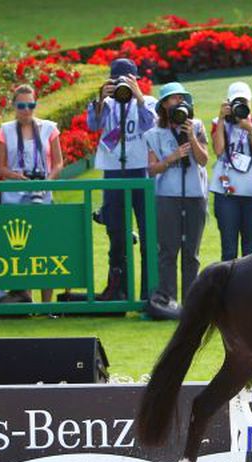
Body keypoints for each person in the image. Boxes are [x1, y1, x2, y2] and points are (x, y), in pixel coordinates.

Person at [87, 58, 157, 300]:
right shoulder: (105, 103)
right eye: (118, 81)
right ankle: (119, 290)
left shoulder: (147, 102)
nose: (123, 86)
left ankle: (149, 293)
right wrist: (100, 100)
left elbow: (150, 126)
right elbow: (93, 125)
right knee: (117, 233)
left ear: (136, 80)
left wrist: (138, 97)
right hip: (113, 170)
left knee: (148, 233)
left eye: (128, 80)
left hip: (141, 170)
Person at [0, 84, 64, 303]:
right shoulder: (5, 130)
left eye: (30, 105)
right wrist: (18, 177)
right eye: (21, 106)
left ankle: (47, 305)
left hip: (42, 195)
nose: (26, 110)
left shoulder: (49, 128)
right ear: (14, 106)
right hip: (14, 197)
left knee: (45, 248)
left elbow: (59, 163)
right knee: (19, 248)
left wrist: (47, 182)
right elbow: (0, 167)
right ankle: (24, 299)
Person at [144, 82, 210, 312]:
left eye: (182, 98)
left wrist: (191, 136)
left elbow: (203, 160)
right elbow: (152, 169)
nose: (179, 102)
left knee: (192, 252)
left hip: (195, 195)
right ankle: (167, 299)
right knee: (168, 250)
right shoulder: (154, 134)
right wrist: (171, 157)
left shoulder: (197, 126)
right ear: (164, 104)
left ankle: (191, 301)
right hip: (167, 196)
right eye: (174, 98)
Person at [210, 81, 252, 261]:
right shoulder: (218, 123)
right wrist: (221, 120)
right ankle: (228, 280)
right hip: (226, 194)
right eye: (236, 102)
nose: (240, 106)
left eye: (244, 102)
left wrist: (250, 130)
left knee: (251, 251)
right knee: (228, 250)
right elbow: (218, 150)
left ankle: (249, 281)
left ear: (250, 102)